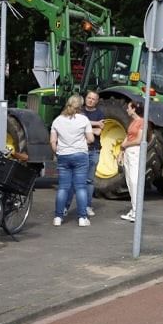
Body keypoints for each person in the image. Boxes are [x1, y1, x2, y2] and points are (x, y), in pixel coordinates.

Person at [49, 94, 95, 227]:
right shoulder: (84, 119)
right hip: (80, 155)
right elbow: (91, 139)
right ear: (80, 106)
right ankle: (82, 218)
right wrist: (81, 143)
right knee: (81, 187)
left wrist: (57, 152)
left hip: (63, 155)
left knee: (63, 187)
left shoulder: (58, 120)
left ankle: (58, 217)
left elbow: (52, 141)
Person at [116, 99, 145, 222]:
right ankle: (134, 210)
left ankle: (136, 211)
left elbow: (139, 140)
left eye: (129, 107)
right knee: (129, 180)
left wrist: (126, 145)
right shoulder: (133, 122)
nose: (127, 110)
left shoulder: (142, 122)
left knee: (134, 181)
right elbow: (128, 137)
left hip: (135, 152)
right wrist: (121, 152)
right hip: (129, 151)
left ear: (134, 109)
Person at [79, 90, 105, 218]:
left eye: (93, 99)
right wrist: (94, 125)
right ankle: (66, 207)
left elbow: (99, 132)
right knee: (76, 180)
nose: (90, 100)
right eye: (89, 98)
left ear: (97, 101)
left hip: (94, 150)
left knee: (89, 180)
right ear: (85, 98)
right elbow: (77, 126)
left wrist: (84, 127)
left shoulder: (100, 113)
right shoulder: (79, 110)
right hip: (80, 149)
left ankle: (88, 206)